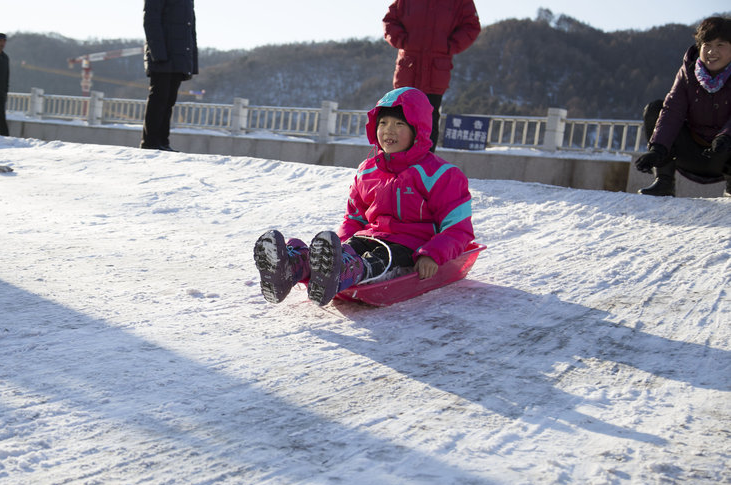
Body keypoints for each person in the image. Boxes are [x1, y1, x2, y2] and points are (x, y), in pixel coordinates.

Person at [253, 87, 474, 306]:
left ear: (419, 130)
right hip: (369, 235)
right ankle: (294, 265)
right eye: (383, 123)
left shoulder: (441, 175)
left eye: (399, 124)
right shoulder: (368, 170)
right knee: (351, 249)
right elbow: (355, 219)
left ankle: (347, 272)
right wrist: (338, 247)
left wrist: (432, 254)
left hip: (412, 246)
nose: (389, 130)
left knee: (382, 258)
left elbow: (458, 229)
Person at [635, 16, 731, 197]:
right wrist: (658, 149)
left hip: (725, 155)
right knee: (655, 108)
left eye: (720, 45)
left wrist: (726, 137)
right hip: (692, 153)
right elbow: (673, 110)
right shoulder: (688, 72)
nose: (712, 51)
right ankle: (664, 181)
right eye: (707, 44)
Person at [382, 0, 481, 150]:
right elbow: (389, 21)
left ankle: (425, 166)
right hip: (408, 70)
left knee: (429, 120)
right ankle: (397, 164)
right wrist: (403, 40)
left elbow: (472, 26)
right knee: (400, 118)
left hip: (435, 73)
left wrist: (449, 46)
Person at [141, 0, 198, 151]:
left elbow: (190, 30)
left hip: (178, 56)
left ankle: (162, 142)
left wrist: (191, 60)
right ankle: (150, 142)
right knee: (159, 98)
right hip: (162, 55)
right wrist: (159, 54)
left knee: (169, 101)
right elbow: (151, 21)